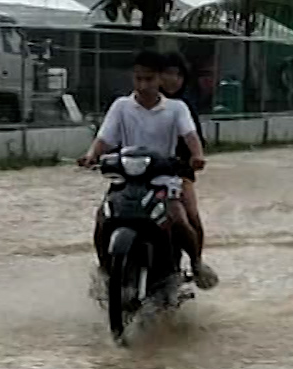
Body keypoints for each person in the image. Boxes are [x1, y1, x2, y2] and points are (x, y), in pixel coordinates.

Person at [79, 49, 217, 289]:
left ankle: (196, 263)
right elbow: (105, 138)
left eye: (149, 79)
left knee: (180, 219)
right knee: (103, 218)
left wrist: (197, 155)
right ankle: (104, 270)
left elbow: (190, 135)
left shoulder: (177, 108)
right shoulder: (121, 106)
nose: (143, 85)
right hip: (126, 178)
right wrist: (92, 155)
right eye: (138, 78)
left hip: (163, 179)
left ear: (160, 79)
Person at [156, 51, 210, 271]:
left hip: (177, 171)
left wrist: (194, 158)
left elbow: (196, 139)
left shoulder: (183, 107)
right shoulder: (134, 103)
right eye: (168, 73)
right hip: (139, 171)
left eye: (178, 75)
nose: (173, 80)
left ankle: (197, 263)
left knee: (191, 215)